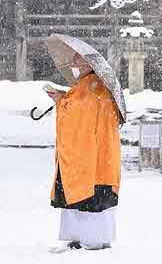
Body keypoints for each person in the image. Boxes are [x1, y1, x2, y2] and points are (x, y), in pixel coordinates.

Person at [47, 51, 121, 251]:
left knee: (84, 195)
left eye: (77, 61)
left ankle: (88, 238)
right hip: (101, 156)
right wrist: (65, 98)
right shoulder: (99, 86)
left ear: (89, 64)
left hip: (86, 156)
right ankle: (93, 237)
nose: (73, 64)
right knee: (96, 197)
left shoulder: (89, 87)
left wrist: (61, 101)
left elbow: (78, 115)